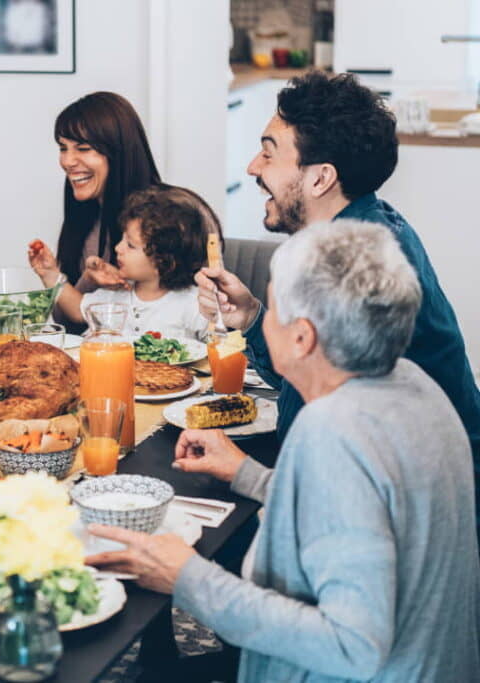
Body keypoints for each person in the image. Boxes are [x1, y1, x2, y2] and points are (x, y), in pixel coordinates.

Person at [88, 220, 480, 682]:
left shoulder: (333, 429)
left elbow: (353, 646)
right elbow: (366, 508)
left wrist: (188, 578)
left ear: (302, 337)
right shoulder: (415, 385)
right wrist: (247, 473)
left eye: (272, 307)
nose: (265, 319)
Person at [196, 71, 480, 530]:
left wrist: (244, 473)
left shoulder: (354, 275)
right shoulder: (361, 234)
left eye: (268, 152)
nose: (253, 167)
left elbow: (344, 497)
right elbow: (307, 377)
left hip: (418, 518)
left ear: (320, 178)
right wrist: (251, 317)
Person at [28, 92, 161, 330]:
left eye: (83, 148)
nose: (68, 161)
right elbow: (68, 321)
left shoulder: (172, 218)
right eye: (63, 148)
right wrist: (87, 280)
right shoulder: (85, 214)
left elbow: (205, 314)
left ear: (118, 151)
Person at [35, 184, 214, 340]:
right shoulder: (116, 293)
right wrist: (50, 274)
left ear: (164, 260)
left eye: (130, 245)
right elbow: (76, 309)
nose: (117, 248)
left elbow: (219, 349)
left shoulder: (194, 304)